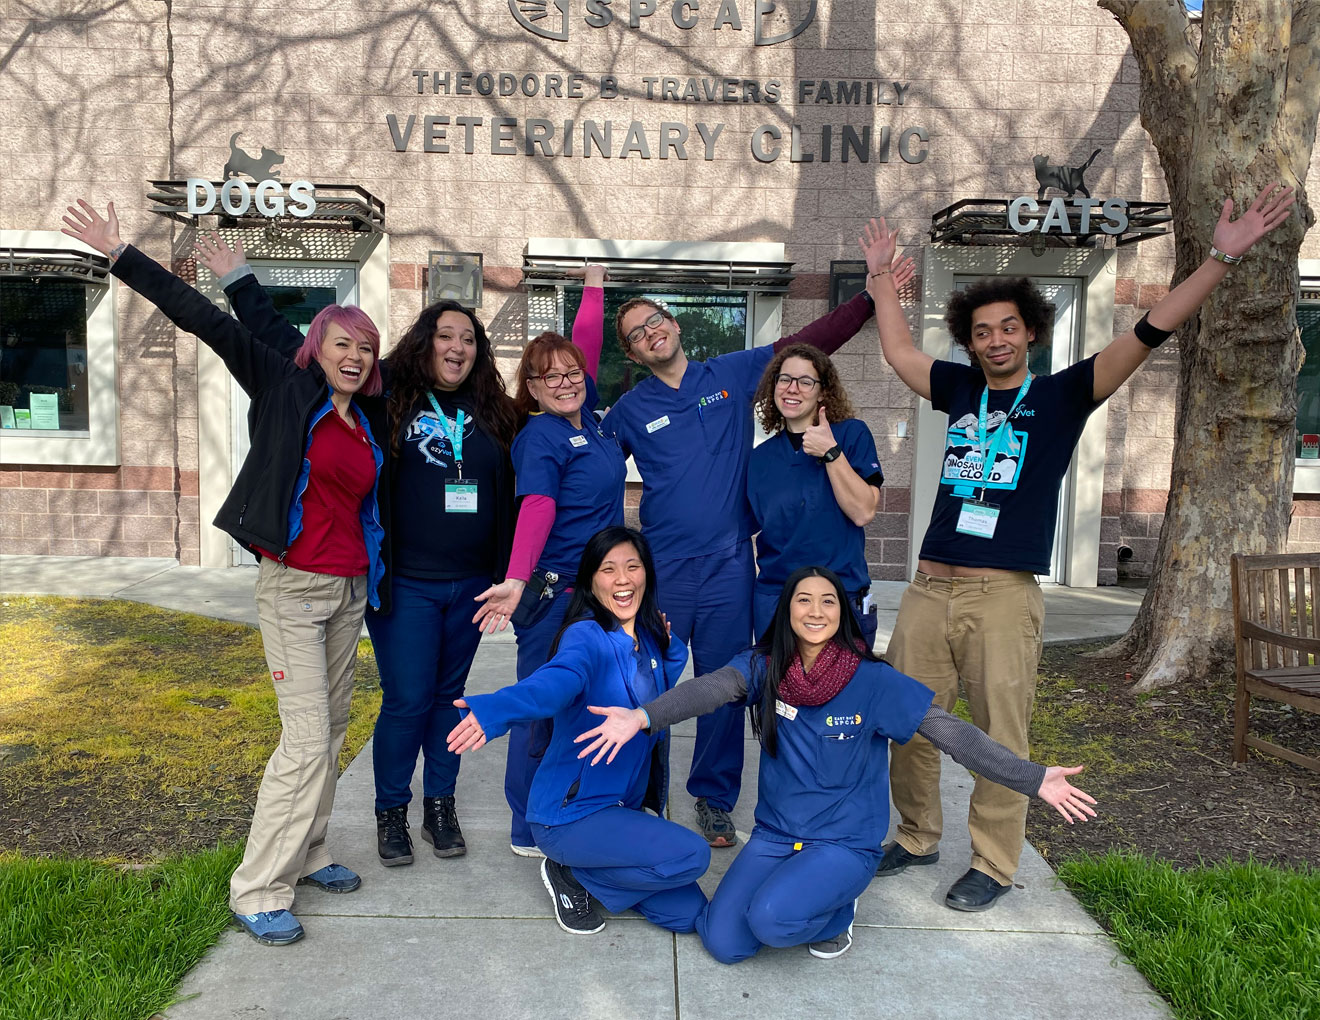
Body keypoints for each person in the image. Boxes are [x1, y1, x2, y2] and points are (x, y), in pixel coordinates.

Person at [863, 182, 1296, 911]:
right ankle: (914, 835)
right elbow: (899, 347)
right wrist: (880, 278)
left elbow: (1153, 327)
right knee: (908, 720)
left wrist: (1221, 256)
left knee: (1002, 734)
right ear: (969, 341)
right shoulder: (960, 391)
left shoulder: (1064, 395)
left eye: (1008, 328)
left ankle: (995, 864)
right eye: (982, 332)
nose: (995, 340)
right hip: (928, 591)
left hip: (1001, 595)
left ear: (1029, 332)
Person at [62, 200, 388, 947]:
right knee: (305, 740)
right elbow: (212, 325)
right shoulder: (287, 390)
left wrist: (241, 277)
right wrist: (123, 256)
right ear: (319, 349)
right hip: (294, 590)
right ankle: (257, 888)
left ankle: (308, 854)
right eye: (341, 343)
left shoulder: (364, 420)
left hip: (346, 591)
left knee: (333, 729)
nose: (355, 356)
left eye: (365, 349)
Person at [573, 565, 1097, 963]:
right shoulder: (765, 666)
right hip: (777, 834)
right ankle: (795, 894)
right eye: (804, 600)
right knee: (724, 941)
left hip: (844, 841)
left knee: (773, 922)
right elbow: (711, 689)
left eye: (829, 601)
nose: (817, 610)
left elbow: (949, 733)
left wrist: (1031, 777)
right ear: (787, 611)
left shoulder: (873, 680)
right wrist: (643, 717)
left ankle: (839, 911)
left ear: (843, 613)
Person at [200, 235, 519, 867]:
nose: (456, 347)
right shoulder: (382, 399)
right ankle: (391, 812)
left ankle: (439, 805)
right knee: (405, 698)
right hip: (406, 585)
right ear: (424, 343)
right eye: (445, 335)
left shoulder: (498, 413)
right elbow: (293, 347)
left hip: (471, 587)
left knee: (450, 699)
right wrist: (239, 281)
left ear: (478, 352)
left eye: (468, 339)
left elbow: (544, 443)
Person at [603, 254, 912, 847]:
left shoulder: (730, 374)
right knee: (647, 687)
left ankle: (713, 799)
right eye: (636, 334)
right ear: (634, 354)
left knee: (723, 686)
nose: (650, 333)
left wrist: (871, 299)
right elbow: (590, 470)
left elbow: (809, 344)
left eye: (655, 320)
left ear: (674, 325)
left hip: (726, 571)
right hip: (661, 572)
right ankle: (641, 795)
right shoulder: (629, 412)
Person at [447, 527, 711, 936]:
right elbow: (552, 684)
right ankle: (571, 873)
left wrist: (668, 640)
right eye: (608, 569)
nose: (622, 579)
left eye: (632, 567)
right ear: (590, 581)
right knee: (692, 856)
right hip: (571, 817)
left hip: (620, 810)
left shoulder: (648, 640)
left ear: (647, 575)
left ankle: (601, 872)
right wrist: (495, 709)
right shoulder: (585, 638)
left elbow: (661, 685)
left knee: (688, 914)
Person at [470, 266, 627, 857]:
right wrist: (516, 579)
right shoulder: (540, 437)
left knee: (592, 701)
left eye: (570, 373)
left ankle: (574, 801)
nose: (564, 382)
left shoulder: (594, 423)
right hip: (556, 595)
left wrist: (593, 289)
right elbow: (536, 507)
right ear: (530, 390)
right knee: (541, 707)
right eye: (547, 378)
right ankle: (525, 824)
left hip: (601, 595)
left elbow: (580, 348)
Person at [747, 343, 884, 648]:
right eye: (784, 379)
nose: (792, 388)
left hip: (840, 594)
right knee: (780, 691)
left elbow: (863, 512)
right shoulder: (761, 458)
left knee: (843, 690)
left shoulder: (851, 435)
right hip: (777, 596)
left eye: (805, 381)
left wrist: (831, 453)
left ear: (823, 392)